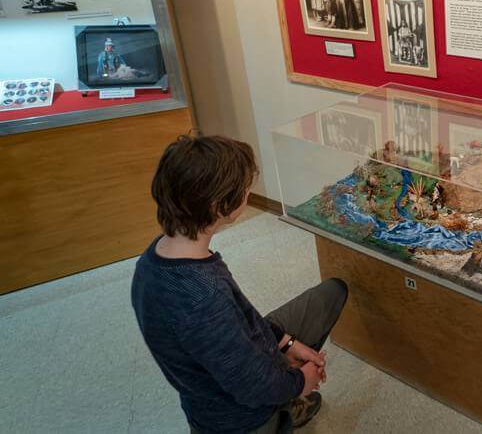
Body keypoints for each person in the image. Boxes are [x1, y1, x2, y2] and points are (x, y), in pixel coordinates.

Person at [132, 135, 349, 433]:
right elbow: (252, 387)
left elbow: (241, 315)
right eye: (245, 189)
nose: (248, 193)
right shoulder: (204, 299)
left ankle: (283, 400)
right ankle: (281, 411)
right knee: (273, 390)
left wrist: (285, 342)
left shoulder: (156, 258)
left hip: (238, 362)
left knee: (331, 294)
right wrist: (301, 383)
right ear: (219, 205)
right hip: (238, 418)